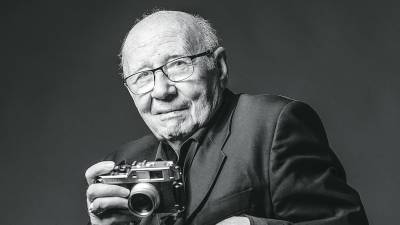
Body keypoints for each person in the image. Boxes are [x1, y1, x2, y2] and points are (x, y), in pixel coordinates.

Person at [85, 10, 369, 225]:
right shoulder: (125, 160)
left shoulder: (273, 125)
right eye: (142, 77)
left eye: (178, 64)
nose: (161, 91)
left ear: (219, 67)